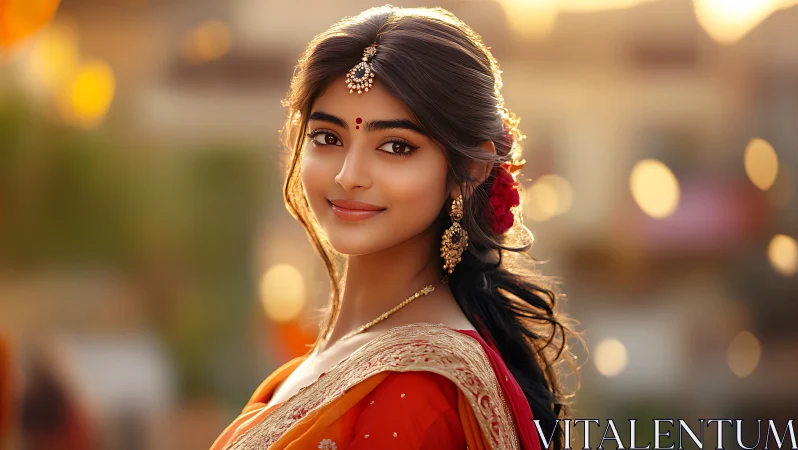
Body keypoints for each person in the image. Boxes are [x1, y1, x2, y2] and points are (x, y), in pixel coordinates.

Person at [211, 5, 579, 450]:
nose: (349, 175)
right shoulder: (322, 362)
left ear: (472, 168)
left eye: (396, 146)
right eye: (328, 137)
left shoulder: (419, 390)